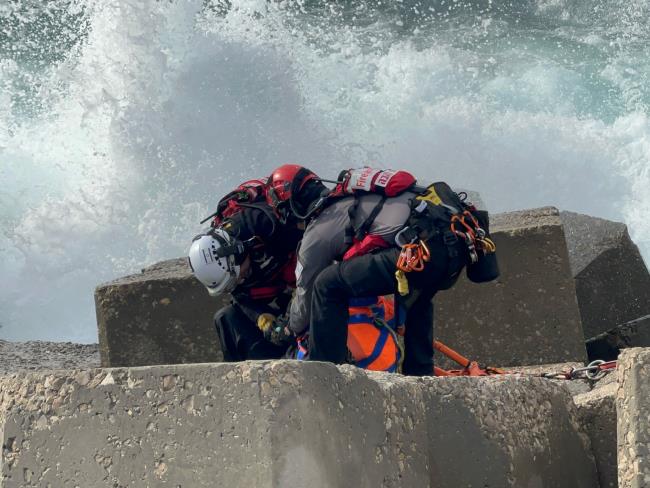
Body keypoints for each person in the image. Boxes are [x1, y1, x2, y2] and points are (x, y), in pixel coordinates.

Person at [267, 165, 498, 376]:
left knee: (327, 284)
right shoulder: (358, 198)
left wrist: (289, 328)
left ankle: (325, 373)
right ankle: (420, 371)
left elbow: (306, 287)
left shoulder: (321, 226)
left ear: (290, 206)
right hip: (452, 249)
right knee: (418, 293)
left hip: (422, 251)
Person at [189, 180, 304, 361]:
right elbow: (240, 297)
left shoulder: (267, 224)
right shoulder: (230, 270)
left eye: (236, 278)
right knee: (225, 318)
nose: (239, 282)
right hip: (277, 296)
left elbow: (314, 251)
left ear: (238, 254)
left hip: (304, 285)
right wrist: (260, 317)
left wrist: (298, 298)